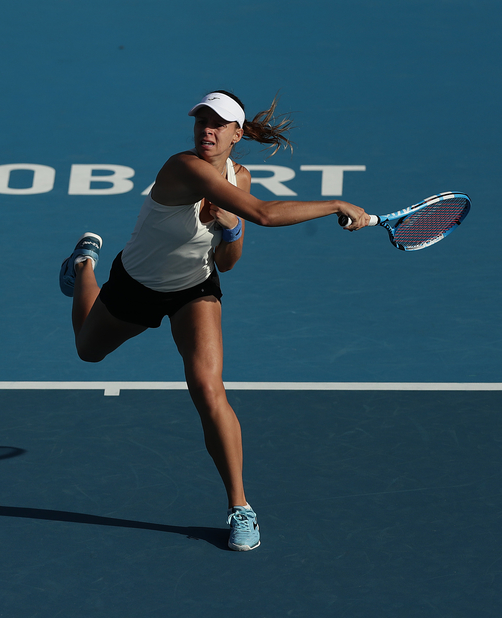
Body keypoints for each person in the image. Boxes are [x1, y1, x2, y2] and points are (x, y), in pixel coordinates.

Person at [58, 90, 370, 551]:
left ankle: (240, 508)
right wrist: (335, 205)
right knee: (87, 351)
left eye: (219, 123)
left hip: (194, 288)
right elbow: (265, 213)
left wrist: (230, 226)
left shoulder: (238, 177)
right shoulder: (181, 167)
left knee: (208, 388)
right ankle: (85, 265)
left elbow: (228, 262)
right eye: (202, 120)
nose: (207, 128)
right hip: (138, 284)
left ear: (236, 134)